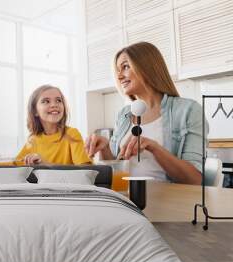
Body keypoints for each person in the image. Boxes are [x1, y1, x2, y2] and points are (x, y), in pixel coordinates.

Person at [85, 42, 207, 185]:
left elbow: (195, 180)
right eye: (117, 70)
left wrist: (153, 147)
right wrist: (104, 149)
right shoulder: (124, 114)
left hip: (169, 201)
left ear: (147, 67)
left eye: (125, 67)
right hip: (126, 199)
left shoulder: (188, 110)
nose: (119, 77)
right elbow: (117, 169)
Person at [15, 85, 92, 165]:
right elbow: (15, 164)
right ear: (35, 111)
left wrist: (46, 165)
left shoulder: (72, 134)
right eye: (46, 101)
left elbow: (85, 170)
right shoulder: (33, 140)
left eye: (58, 100)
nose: (54, 105)